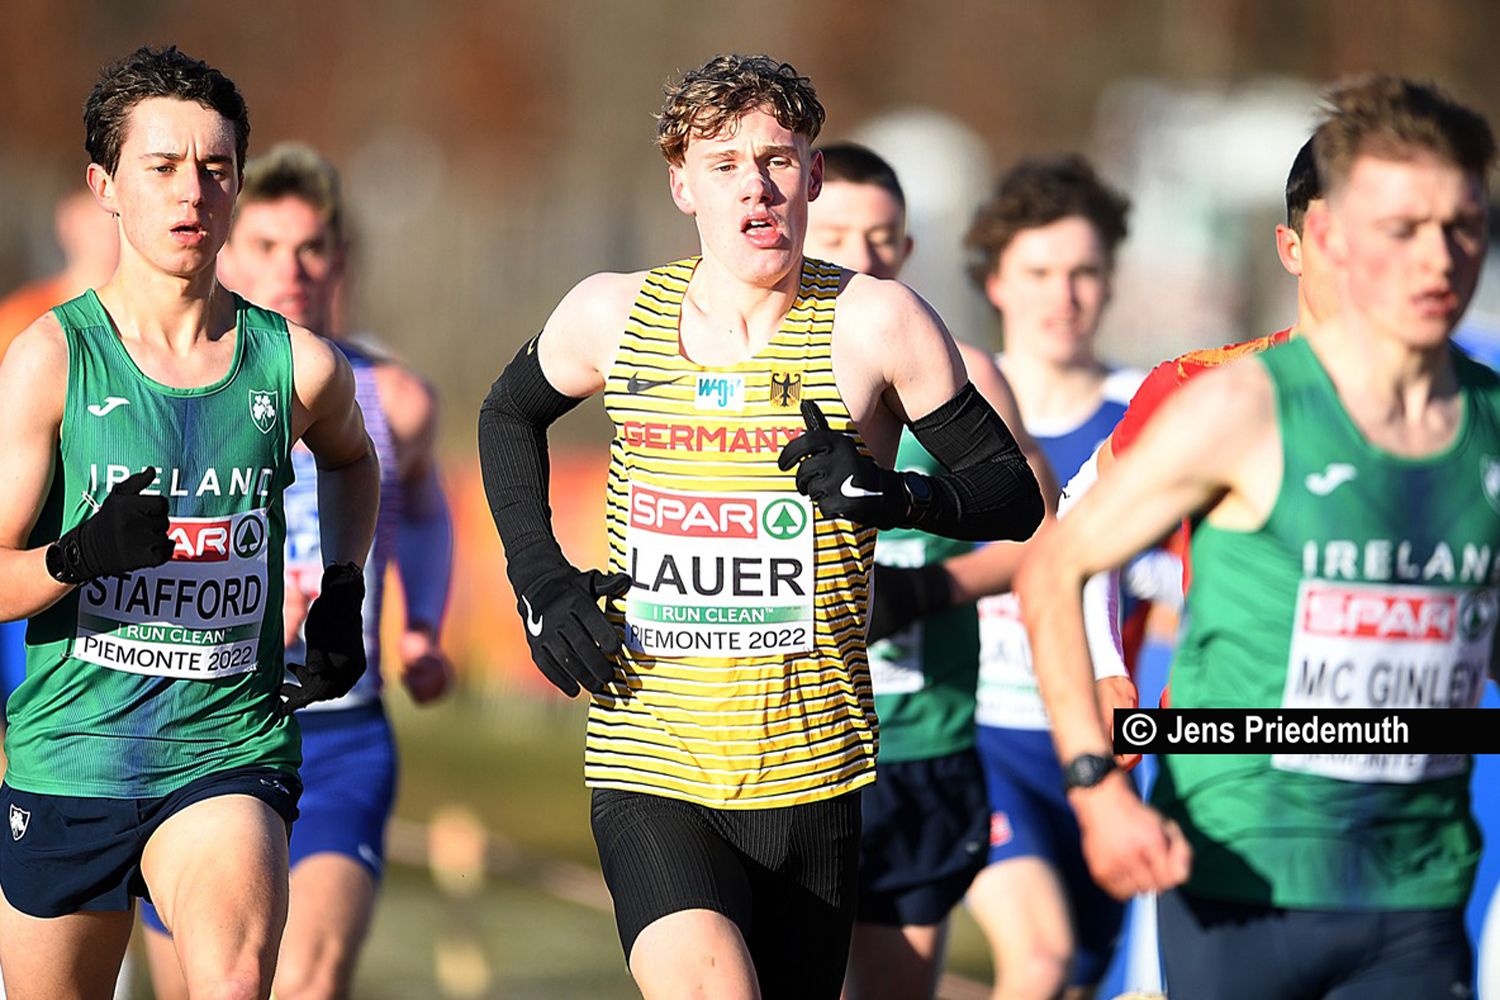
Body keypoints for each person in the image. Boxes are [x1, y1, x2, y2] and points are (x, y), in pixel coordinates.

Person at [477, 54, 1043, 999]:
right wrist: (540, 577)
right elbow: (507, 414)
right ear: (682, 185)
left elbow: (1010, 494)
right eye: (725, 164)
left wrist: (894, 495)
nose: (757, 186)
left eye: (778, 160)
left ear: (813, 175)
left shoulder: (876, 323)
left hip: (817, 770)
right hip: (652, 760)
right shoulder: (612, 313)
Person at [1018, 74, 1496, 999]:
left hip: (1418, 874)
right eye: (1404, 229)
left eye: (1465, 226)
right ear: (1326, 240)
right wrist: (1096, 774)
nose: (1439, 258)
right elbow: (1060, 560)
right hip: (1240, 860)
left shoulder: (1491, 421)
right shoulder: (1225, 397)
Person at [0, 46, 379, 999]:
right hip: (71, 755)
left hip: (227, 750)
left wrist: (342, 589)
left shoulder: (294, 364)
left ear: (238, 184)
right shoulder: (52, 360)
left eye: (215, 168)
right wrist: (77, 555)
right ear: (105, 186)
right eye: (162, 166)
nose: (192, 192)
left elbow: (352, 457)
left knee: (236, 979)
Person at [138, 142, 455, 1000]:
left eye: (312, 248)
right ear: (229, 249)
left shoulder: (394, 398)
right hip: (198, 726)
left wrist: (423, 625)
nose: (292, 270)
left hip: (340, 735)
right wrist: (236, 603)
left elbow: (427, 511)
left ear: (340, 259)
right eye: (269, 246)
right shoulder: (172, 389)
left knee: (304, 982)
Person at [807, 142, 1057, 1000]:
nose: (863, 255)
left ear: (908, 248)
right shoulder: (756, 370)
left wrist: (924, 591)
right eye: (838, 234)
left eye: (883, 238)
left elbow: (1045, 533)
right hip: (784, 738)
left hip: (919, 744)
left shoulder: (963, 377)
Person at [954, 155, 1151, 1000]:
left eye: (1084, 273)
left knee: (1080, 979)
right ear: (996, 281)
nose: (1063, 297)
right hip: (981, 738)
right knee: (1039, 958)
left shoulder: (1153, 411)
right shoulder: (945, 405)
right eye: (1039, 273)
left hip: (1112, 744)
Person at [1087, 136, 1335, 752]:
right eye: (1339, 238)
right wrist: (1106, 670)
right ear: (1292, 248)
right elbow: (1080, 514)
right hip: (1221, 758)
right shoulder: (1197, 385)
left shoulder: (1470, 407)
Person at [0, 192, 121, 725]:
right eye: (97, 217)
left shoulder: (149, 329)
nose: (108, 229)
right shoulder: (24, 324)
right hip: (25, 542)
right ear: (67, 220)